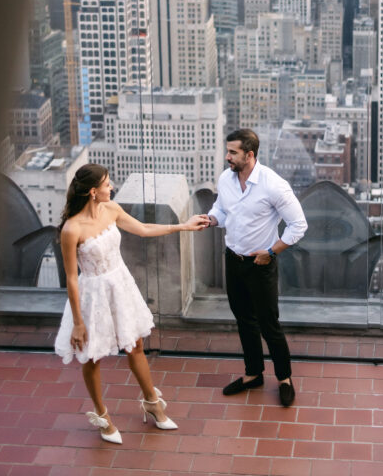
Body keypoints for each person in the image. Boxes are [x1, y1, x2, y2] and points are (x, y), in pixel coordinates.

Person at [54, 163, 207, 443]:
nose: (111, 187)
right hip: (93, 294)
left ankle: (152, 402)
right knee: (92, 356)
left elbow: (144, 229)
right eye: (107, 184)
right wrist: (78, 323)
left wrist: (183, 226)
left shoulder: (111, 209)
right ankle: (103, 417)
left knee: (135, 344)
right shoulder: (71, 229)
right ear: (92, 191)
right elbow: (72, 279)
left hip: (120, 285)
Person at [199, 128, 308, 407]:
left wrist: (272, 251)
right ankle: (253, 374)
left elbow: (299, 225)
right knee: (244, 320)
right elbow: (223, 211)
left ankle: (284, 379)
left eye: (233, 152)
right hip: (233, 260)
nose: (227, 157)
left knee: (269, 324)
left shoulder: (273, 184)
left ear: (250, 154)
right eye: (227, 151)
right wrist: (210, 219)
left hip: (261, 264)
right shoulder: (226, 179)